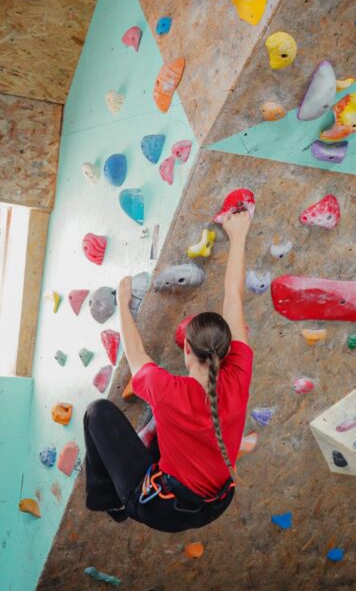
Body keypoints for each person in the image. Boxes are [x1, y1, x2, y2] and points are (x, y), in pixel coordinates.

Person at [83, 210, 253, 531]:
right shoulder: (238, 374)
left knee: (97, 412)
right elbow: (234, 298)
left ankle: (112, 501)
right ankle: (152, 449)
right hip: (213, 505)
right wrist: (239, 235)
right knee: (165, 427)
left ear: (186, 348)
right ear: (228, 349)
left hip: (164, 509)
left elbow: (135, 353)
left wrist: (123, 303)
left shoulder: (168, 390)